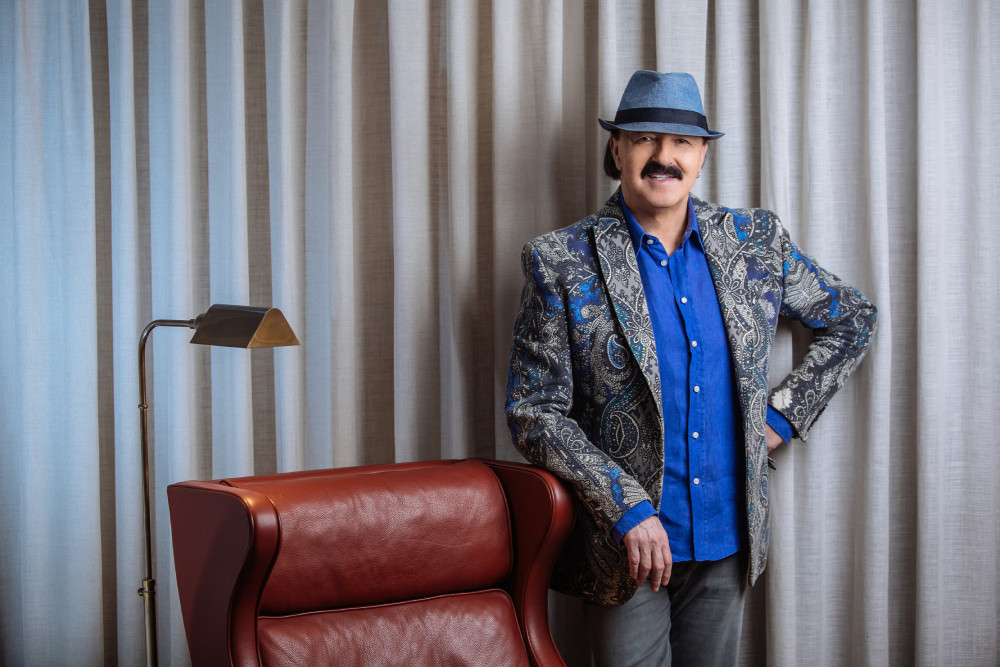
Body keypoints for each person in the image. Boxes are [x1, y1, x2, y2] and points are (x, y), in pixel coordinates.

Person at [505, 70, 877, 666]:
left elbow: (853, 318)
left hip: (727, 535)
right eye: (644, 139)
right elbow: (534, 412)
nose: (664, 156)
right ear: (617, 149)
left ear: (702, 155)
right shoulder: (560, 261)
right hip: (625, 545)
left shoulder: (755, 242)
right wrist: (624, 507)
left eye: (681, 142)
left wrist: (781, 419)